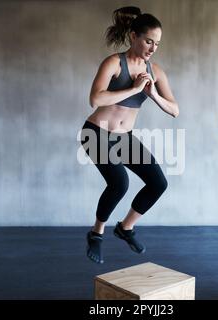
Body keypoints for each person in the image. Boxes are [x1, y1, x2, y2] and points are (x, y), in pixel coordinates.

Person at [80, 6, 179, 263]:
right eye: (148, 41)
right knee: (119, 183)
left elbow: (175, 110)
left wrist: (153, 94)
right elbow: (95, 98)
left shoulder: (155, 72)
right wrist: (133, 88)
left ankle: (125, 228)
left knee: (158, 183)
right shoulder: (114, 63)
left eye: (157, 44)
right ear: (134, 36)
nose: (153, 48)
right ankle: (96, 233)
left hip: (124, 137)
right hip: (96, 134)